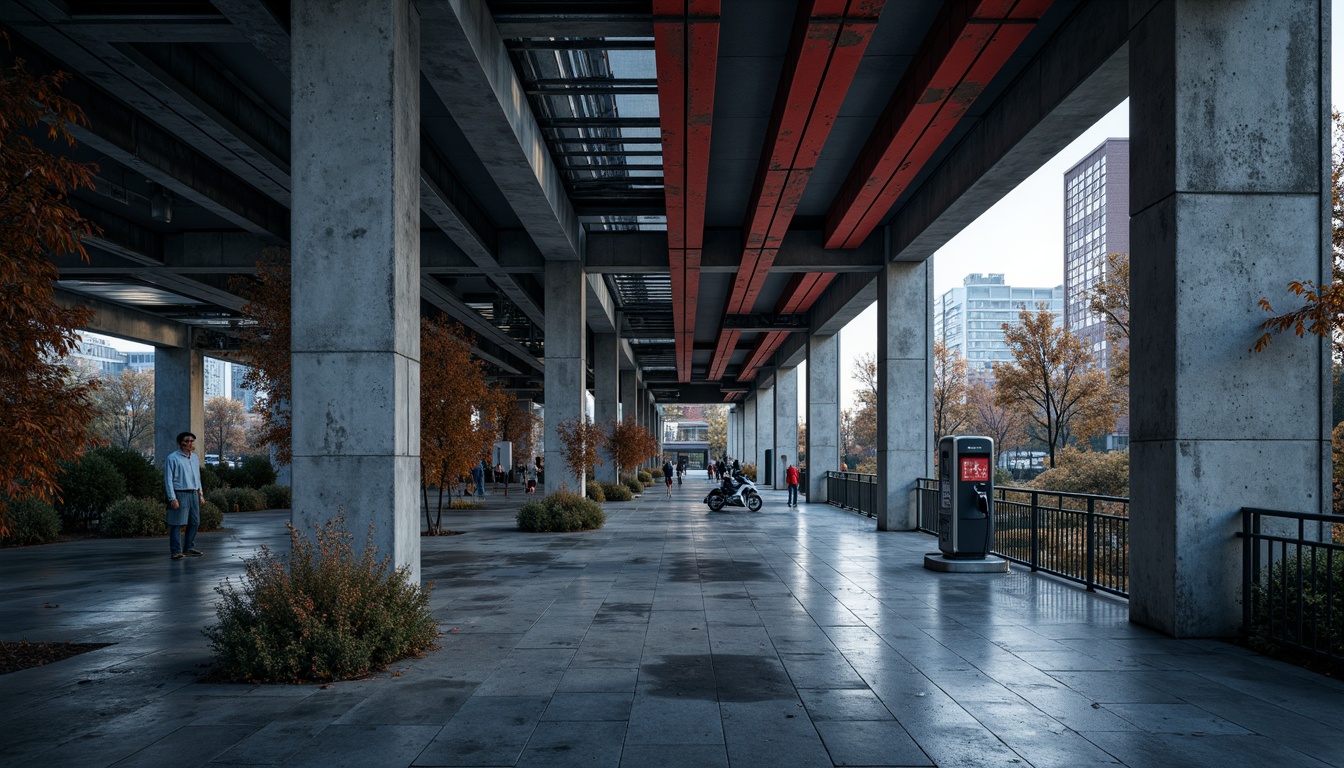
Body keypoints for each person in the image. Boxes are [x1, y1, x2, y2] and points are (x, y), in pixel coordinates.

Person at [163, 431, 204, 560]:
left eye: (192, 441)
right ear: (180, 443)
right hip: (180, 493)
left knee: (194, 522)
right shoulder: (172, 458)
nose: (190, 443)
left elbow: (197, 476)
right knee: (177, 523)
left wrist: (200, 493)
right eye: (187, 441)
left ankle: (188, 548)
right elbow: (168, 479)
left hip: (193, 493)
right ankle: (176, 551)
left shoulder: (195, 457)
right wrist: (172, 498)